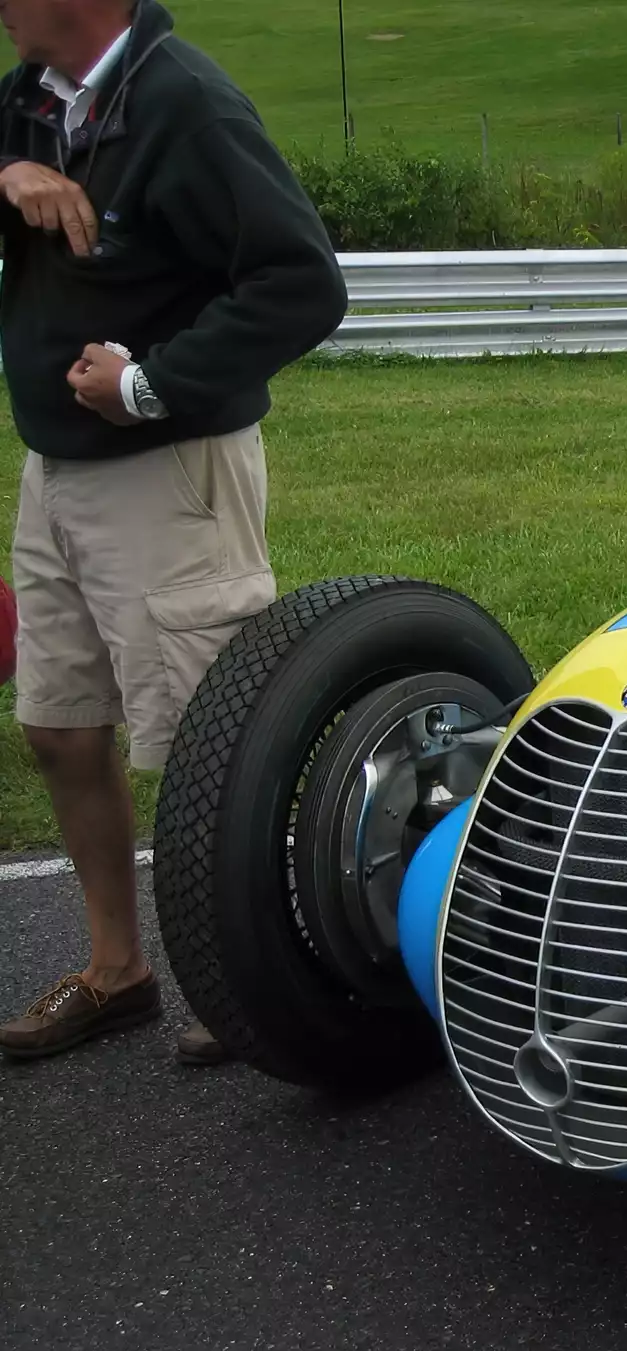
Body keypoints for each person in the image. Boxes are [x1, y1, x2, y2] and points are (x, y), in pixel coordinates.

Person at [0, 0, 348, 1063]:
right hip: (55, 466)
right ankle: (120, 972)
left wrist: (149, 384)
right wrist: (8, 174)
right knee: (59, 728)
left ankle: (257, 980)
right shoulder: (30, 101)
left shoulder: (185, 103)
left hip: (169, 468)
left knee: (212, 744)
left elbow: (302, 283)